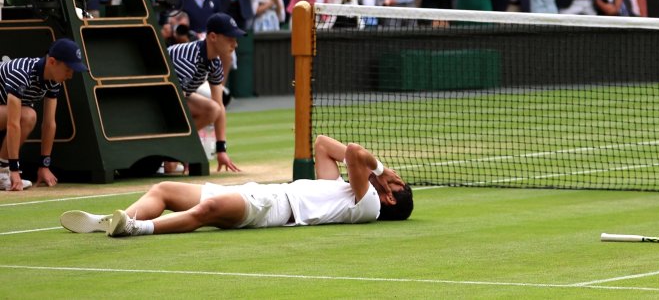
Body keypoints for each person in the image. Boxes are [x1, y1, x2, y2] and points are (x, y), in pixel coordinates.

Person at [60, 134, 412, 236]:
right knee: (164, 190)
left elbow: (354, 153)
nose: (387, 179)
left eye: (394, 184)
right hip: (266, 191)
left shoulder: (369, 206)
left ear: (390, 200)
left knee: (207, 211)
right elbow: (322, 144)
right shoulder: (343, 190)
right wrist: (379, 171)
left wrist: (379, 169)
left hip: (275, 210)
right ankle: (111, 221)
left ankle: (136, 228)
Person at [0, 39, 88, 191]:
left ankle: (2, 171)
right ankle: (3, 171)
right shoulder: (21, 73)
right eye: (68, 68)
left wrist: (44, 165)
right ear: (52, 62)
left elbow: (49, 123)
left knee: (28, 116)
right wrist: (13, 170)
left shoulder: (54, 81)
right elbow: (13, 123)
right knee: (27, 116)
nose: (70, 75)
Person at [166, 13, 245, 172]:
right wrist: (182, 151)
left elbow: (219, 105)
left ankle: (175, 149)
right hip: (156, 100)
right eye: (230, 38)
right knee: (170, 166)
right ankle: (169, 152)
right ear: (213, 37)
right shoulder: (188, 60)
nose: (235, 44)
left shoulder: (214, 62)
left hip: (174, 98)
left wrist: (221, 150)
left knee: (213, 108)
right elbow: (175, 108)